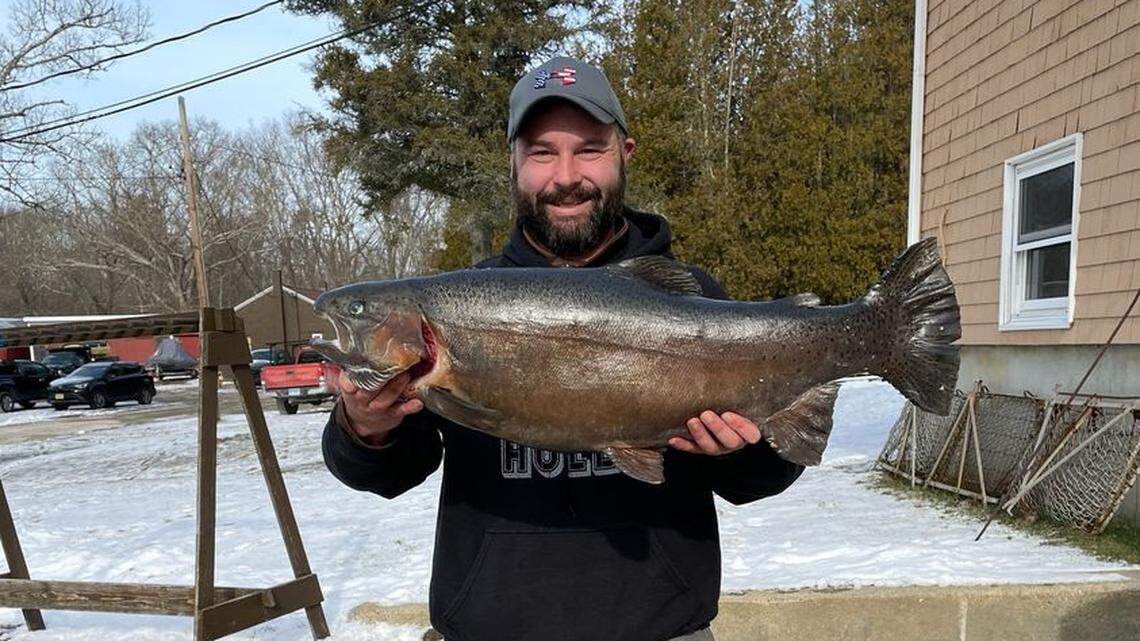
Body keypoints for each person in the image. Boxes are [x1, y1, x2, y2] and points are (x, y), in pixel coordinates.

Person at [322, 55, 805, 641]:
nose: (566, 175)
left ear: (625, 154)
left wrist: (734, 452)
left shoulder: (695, 300)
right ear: (516, 164)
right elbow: (388, 473)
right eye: (542, 152)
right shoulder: (462, 302)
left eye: (589, 149)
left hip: (662, 629)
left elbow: (762, 478)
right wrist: (365, 425)